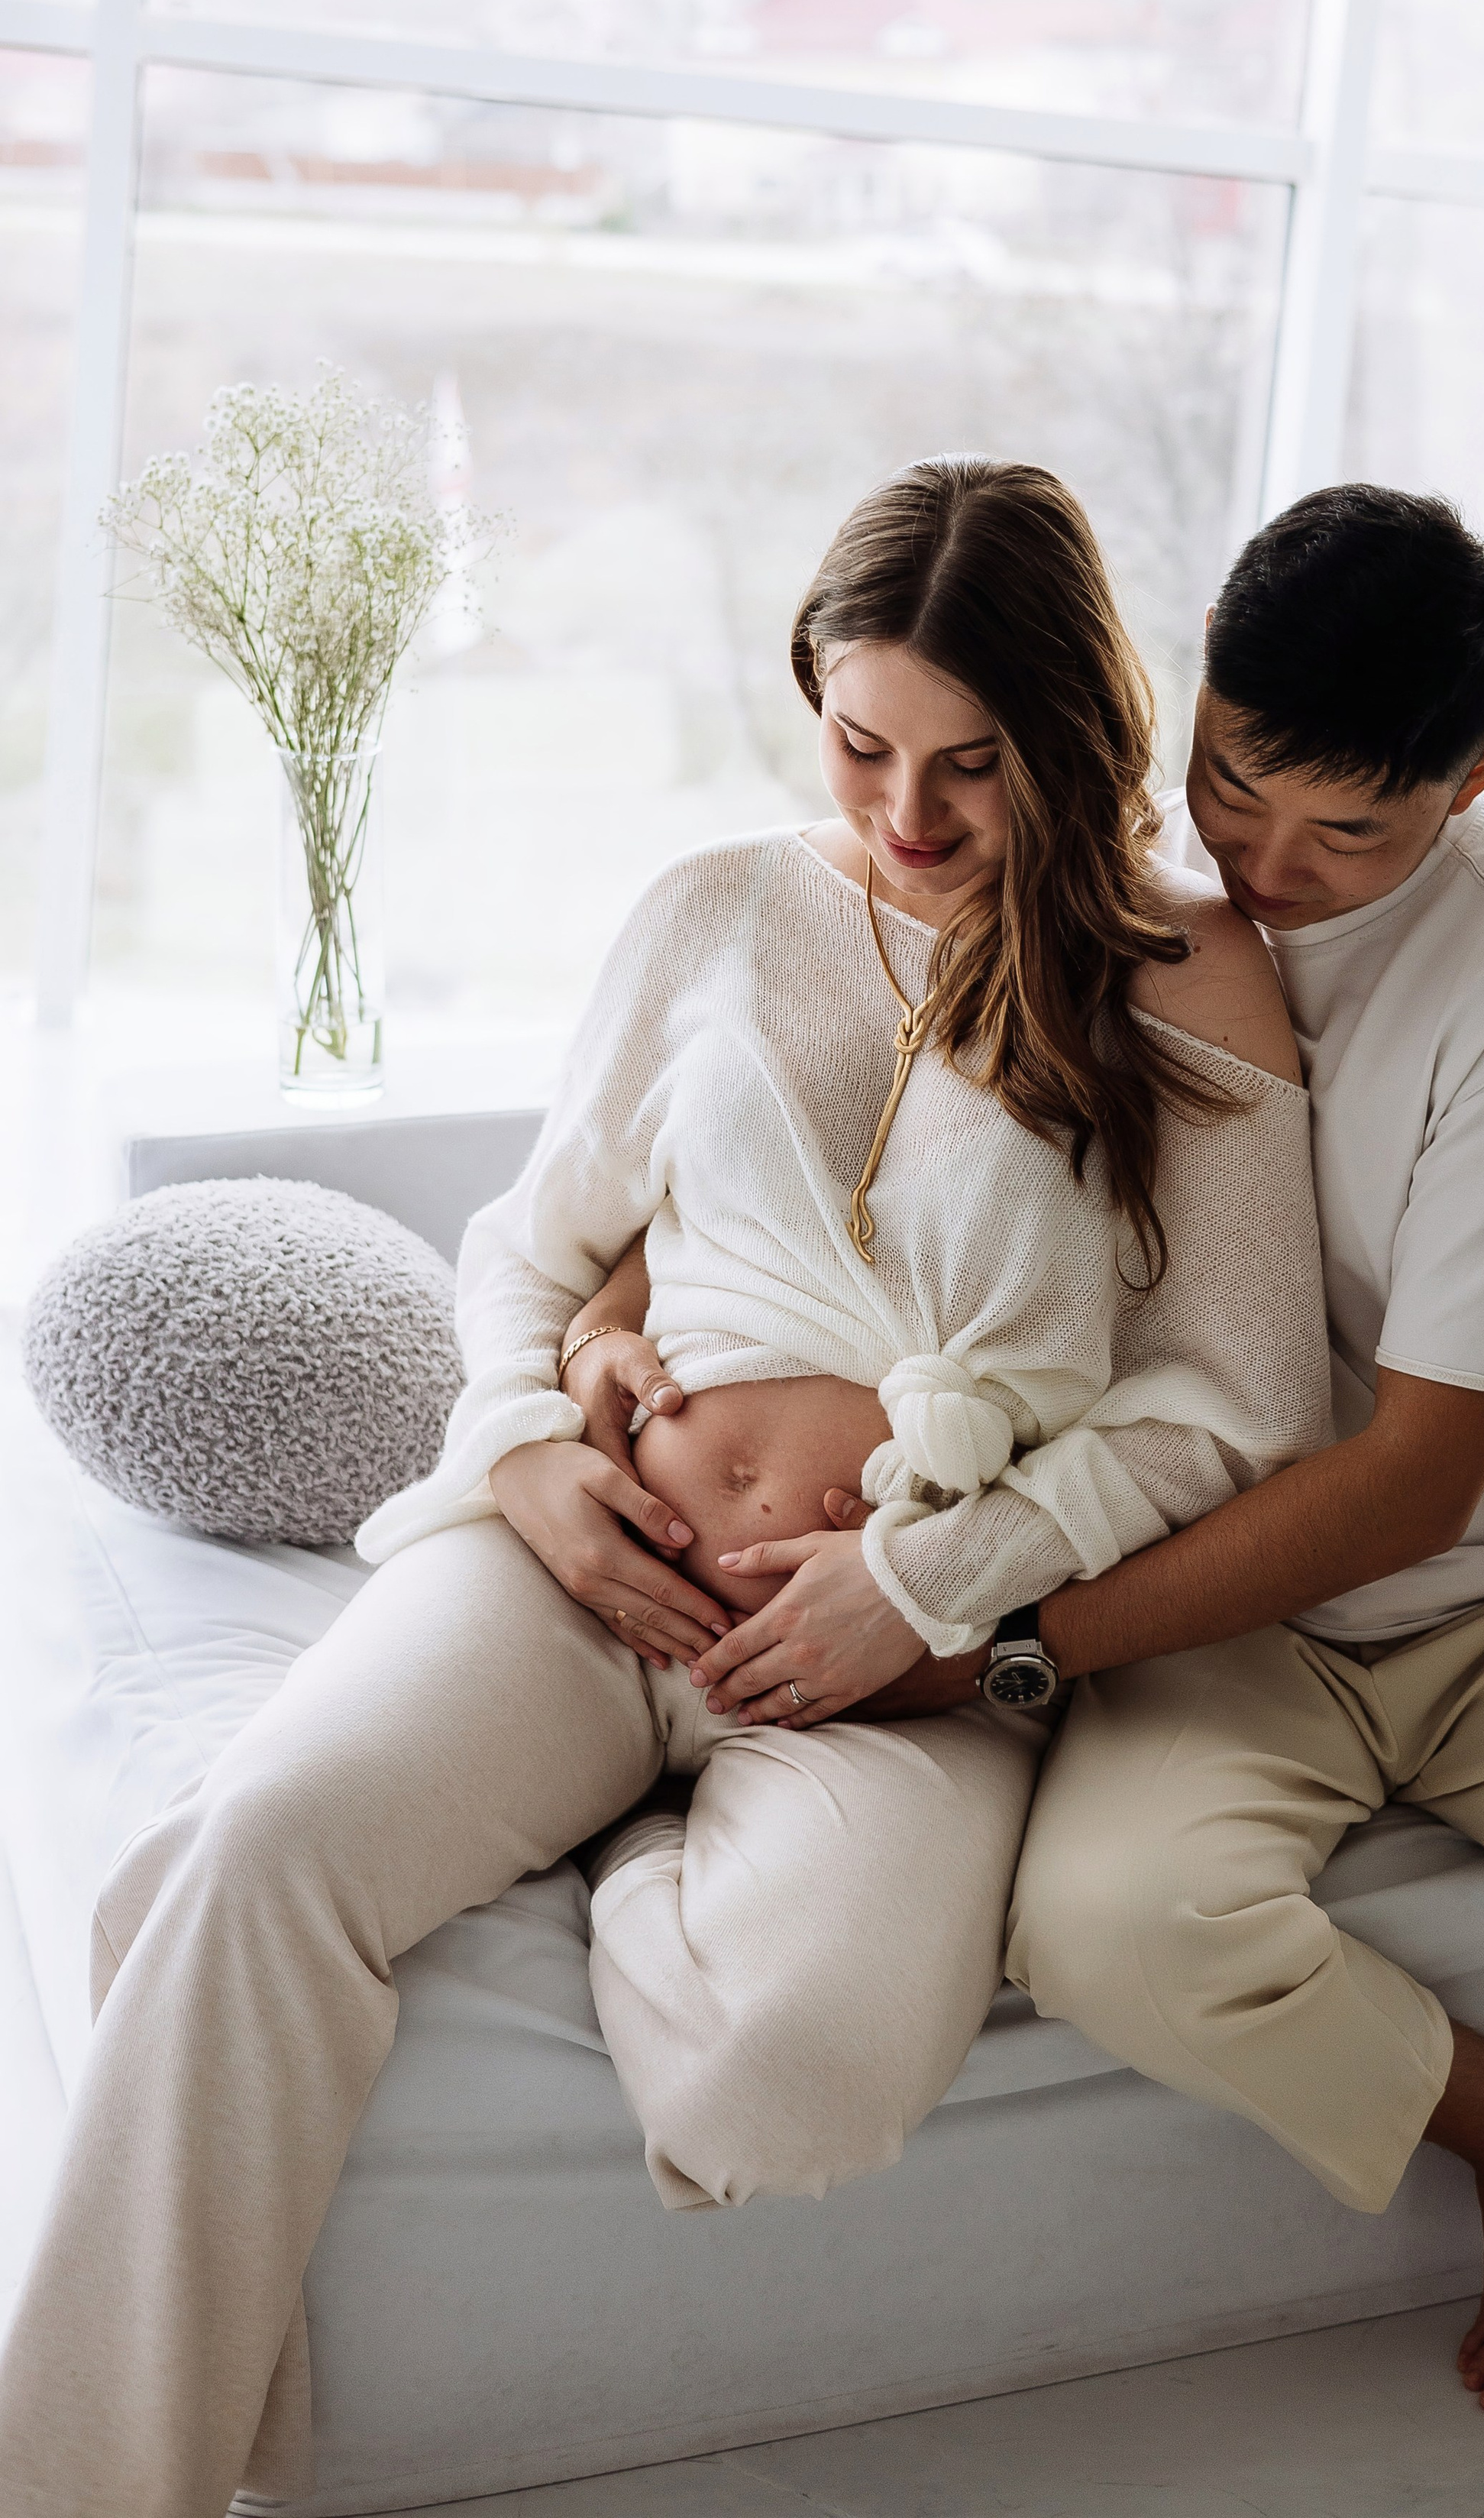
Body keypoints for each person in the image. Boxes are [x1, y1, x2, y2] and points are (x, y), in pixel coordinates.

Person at [0, 459, 1325, 2518]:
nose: (906, 817)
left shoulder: (1185, 978)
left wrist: (944, 1586)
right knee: (249, 1846)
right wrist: (528, 1456)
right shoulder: (716, 909)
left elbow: (1235, 1410)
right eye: (861, 743)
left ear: (1075, 738)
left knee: (798, 2072)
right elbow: (532, 1247)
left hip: (890, 1653)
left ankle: (621, 1849)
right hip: (578, 1574)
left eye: (971, 767)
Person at [691, 485, 1484, 2518]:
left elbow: (1418, 1485)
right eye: (1231, 784)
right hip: (1232, 1603)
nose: (1267, 863)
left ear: (1479, 782)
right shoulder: (1123, 902)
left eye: (1346, 832)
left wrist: (996, 1640)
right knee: (1112, 1922)